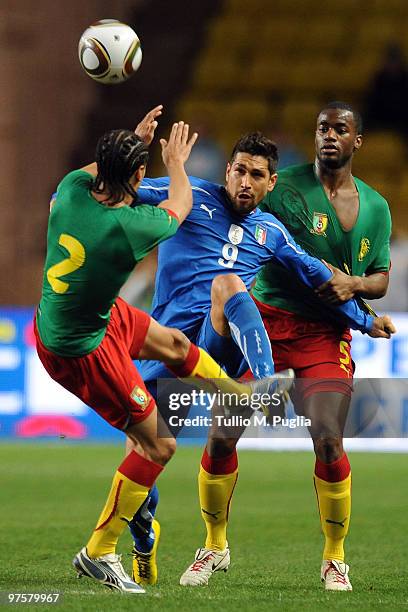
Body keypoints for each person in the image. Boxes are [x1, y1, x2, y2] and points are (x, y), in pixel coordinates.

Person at [124, 131, 395, 587]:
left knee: (229, 285)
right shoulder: (188, 195)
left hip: (217, 345)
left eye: (256, 175)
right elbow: (120, 190)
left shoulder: (271, 232)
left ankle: (331, 555)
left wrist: (365, 320)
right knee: (150, 459)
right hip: (163, 347)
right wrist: (77, 194)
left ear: (269, 184)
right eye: (238, 171)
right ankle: (145, 538)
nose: (245, 182)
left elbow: (317, 277)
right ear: (226, 171)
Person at [35, 107, 277, 595]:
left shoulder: (69, 192)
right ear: (140, 175)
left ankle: (235, 391)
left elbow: (97, 173)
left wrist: (133, 140)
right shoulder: (131, 226)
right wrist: (177, 162)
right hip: (81, 346)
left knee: (175, 344)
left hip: (86, 313)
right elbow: (182, 203)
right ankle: (100, 551)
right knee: (159, 444)